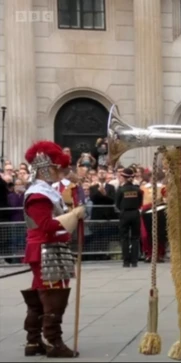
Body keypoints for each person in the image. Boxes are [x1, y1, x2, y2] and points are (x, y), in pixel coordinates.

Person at [21, 140, 84, 358]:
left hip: (51, 248)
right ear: (46, 169)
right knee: (52, 295)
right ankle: (53, 340)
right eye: (58, 168)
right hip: (44, 249)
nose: (61, 173)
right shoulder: (38, 195)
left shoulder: (47, 192)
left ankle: (33, 341)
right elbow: (46, 225)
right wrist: (73, 216)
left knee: (41, 295)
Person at [115, 168, 143, 268]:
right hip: (135, 213)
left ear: (124, 177)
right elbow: (140, 202)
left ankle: (126, 261)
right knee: (135, 238)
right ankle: (134, 261)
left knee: (124, 238)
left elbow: (117, 204)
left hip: (124, 214)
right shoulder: (138, 189)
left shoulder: (121, 190)